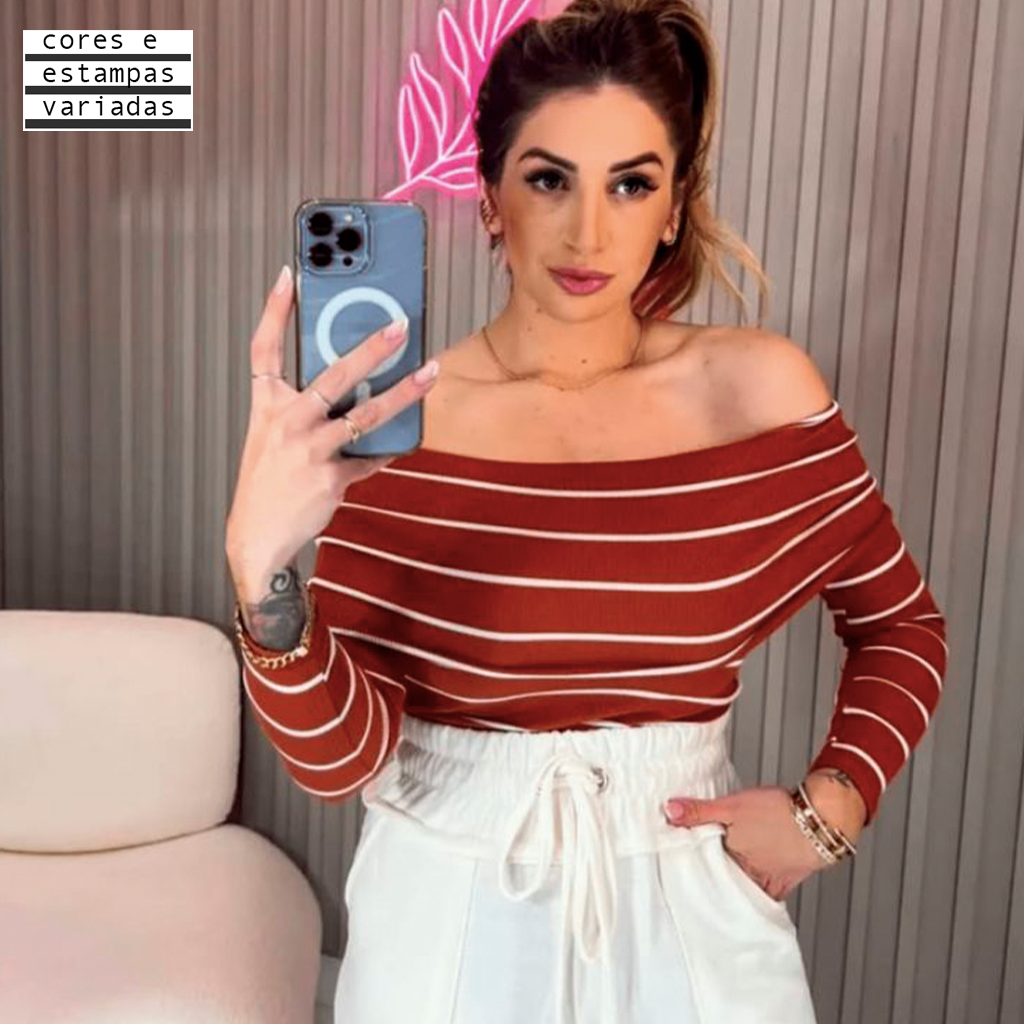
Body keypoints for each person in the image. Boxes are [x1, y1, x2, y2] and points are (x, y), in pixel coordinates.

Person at [226, 1, 948, 1022]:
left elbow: (902, 624)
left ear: (673, 206)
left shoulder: (754, 391)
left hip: (688, 902)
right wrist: (261, 569)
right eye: (549, 179)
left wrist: (830, 808)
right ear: (488, 199)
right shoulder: (392, 424)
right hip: (448, 906)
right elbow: (340, 761)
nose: (589, 231)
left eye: (631, 184)